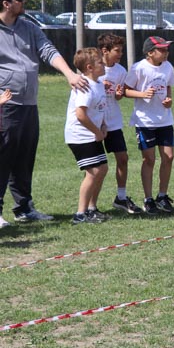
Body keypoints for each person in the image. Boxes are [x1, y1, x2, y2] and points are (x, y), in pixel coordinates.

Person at [0, 0, 89, 226]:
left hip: (29, 103)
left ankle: (24, 208)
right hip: (6, 105)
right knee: (3, 156)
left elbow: (48, 50)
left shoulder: (28, 27)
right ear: (6, 3)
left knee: (25, 157)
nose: (24, 2)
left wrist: (69, 74)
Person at [123, 36, 174, 216]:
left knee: (169, 157)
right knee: (149, 160)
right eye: (162, 49)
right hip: (145, 121)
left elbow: (168, 87)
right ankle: (148, 199)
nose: (166, 52)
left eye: (167, 49)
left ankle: (162, 196)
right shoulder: (139, 68)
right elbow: (126, 90)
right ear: (150, 53)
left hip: (165, 120)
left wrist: (169, 100)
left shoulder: (168, 67)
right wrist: (143, 94)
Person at [97, 34, 143, 215]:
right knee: (95, 166)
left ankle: (121, 198)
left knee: (123, 159)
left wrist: (118, 94)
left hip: (113, 121)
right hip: (95, 123)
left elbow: (119, 95)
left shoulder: (120, 71)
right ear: (105, 51)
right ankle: (91, 205)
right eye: (117, 50)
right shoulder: (94, 67)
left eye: (121, 50)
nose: (121, 53)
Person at [64, 48, 111, 225]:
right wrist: (97, 132)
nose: (104, 64)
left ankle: (92, 209)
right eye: (100, 62)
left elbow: (99, 108)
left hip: (92, 134)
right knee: (93, 172)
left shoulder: (98, 83)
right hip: (80, 135)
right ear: (90, 67)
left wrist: (103, 125)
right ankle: (80, 214)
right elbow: (80, 115)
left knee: (102, 169)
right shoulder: (84, 86)